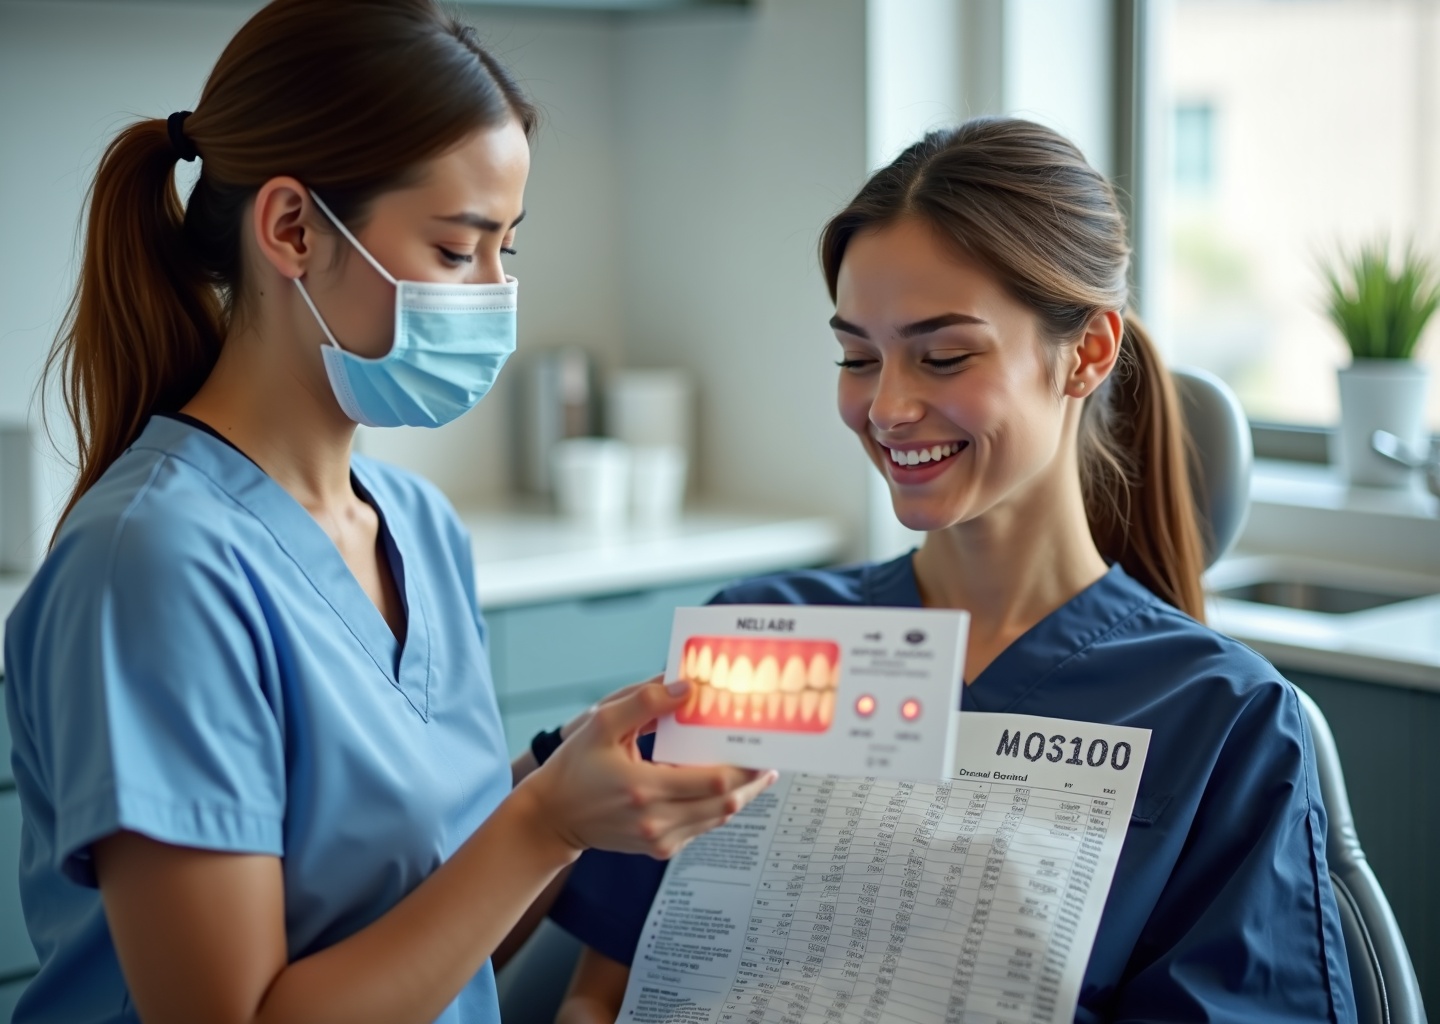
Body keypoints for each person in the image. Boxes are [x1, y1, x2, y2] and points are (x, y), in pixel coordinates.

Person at [0, 2, 776, 1022]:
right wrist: (542, 820)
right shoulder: (153, 565)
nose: (496, 293)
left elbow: (435, 930)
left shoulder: (416, 525)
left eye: (508, 248)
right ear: (291, 229)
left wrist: (566, 779)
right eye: (459, 251)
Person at [549, 118, 1357, 1023]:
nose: (887, 406)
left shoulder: (1216, 717)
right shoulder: (764, 640)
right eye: (858, 358)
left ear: (1087, 352)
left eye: (944, 356)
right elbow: (602, 995)